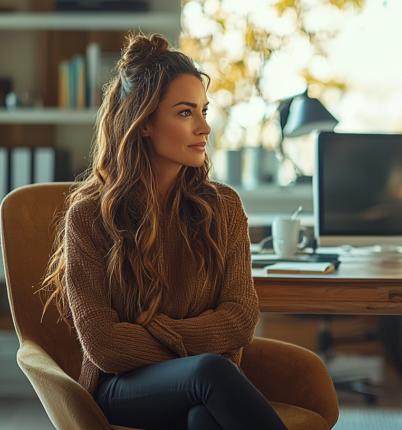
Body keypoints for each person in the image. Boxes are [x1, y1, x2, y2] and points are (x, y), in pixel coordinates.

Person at [41, 33, 287, 430]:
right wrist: (203, 337)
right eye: (186, 113)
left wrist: (153, 328)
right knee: (209, 372)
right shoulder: (88, 217)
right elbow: (105, 346)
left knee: (201, 418)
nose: (205, 127)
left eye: (204, 110)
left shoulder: (224, 208)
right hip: (120, 388)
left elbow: (241, 319)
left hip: (201, 386)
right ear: (144, 124)